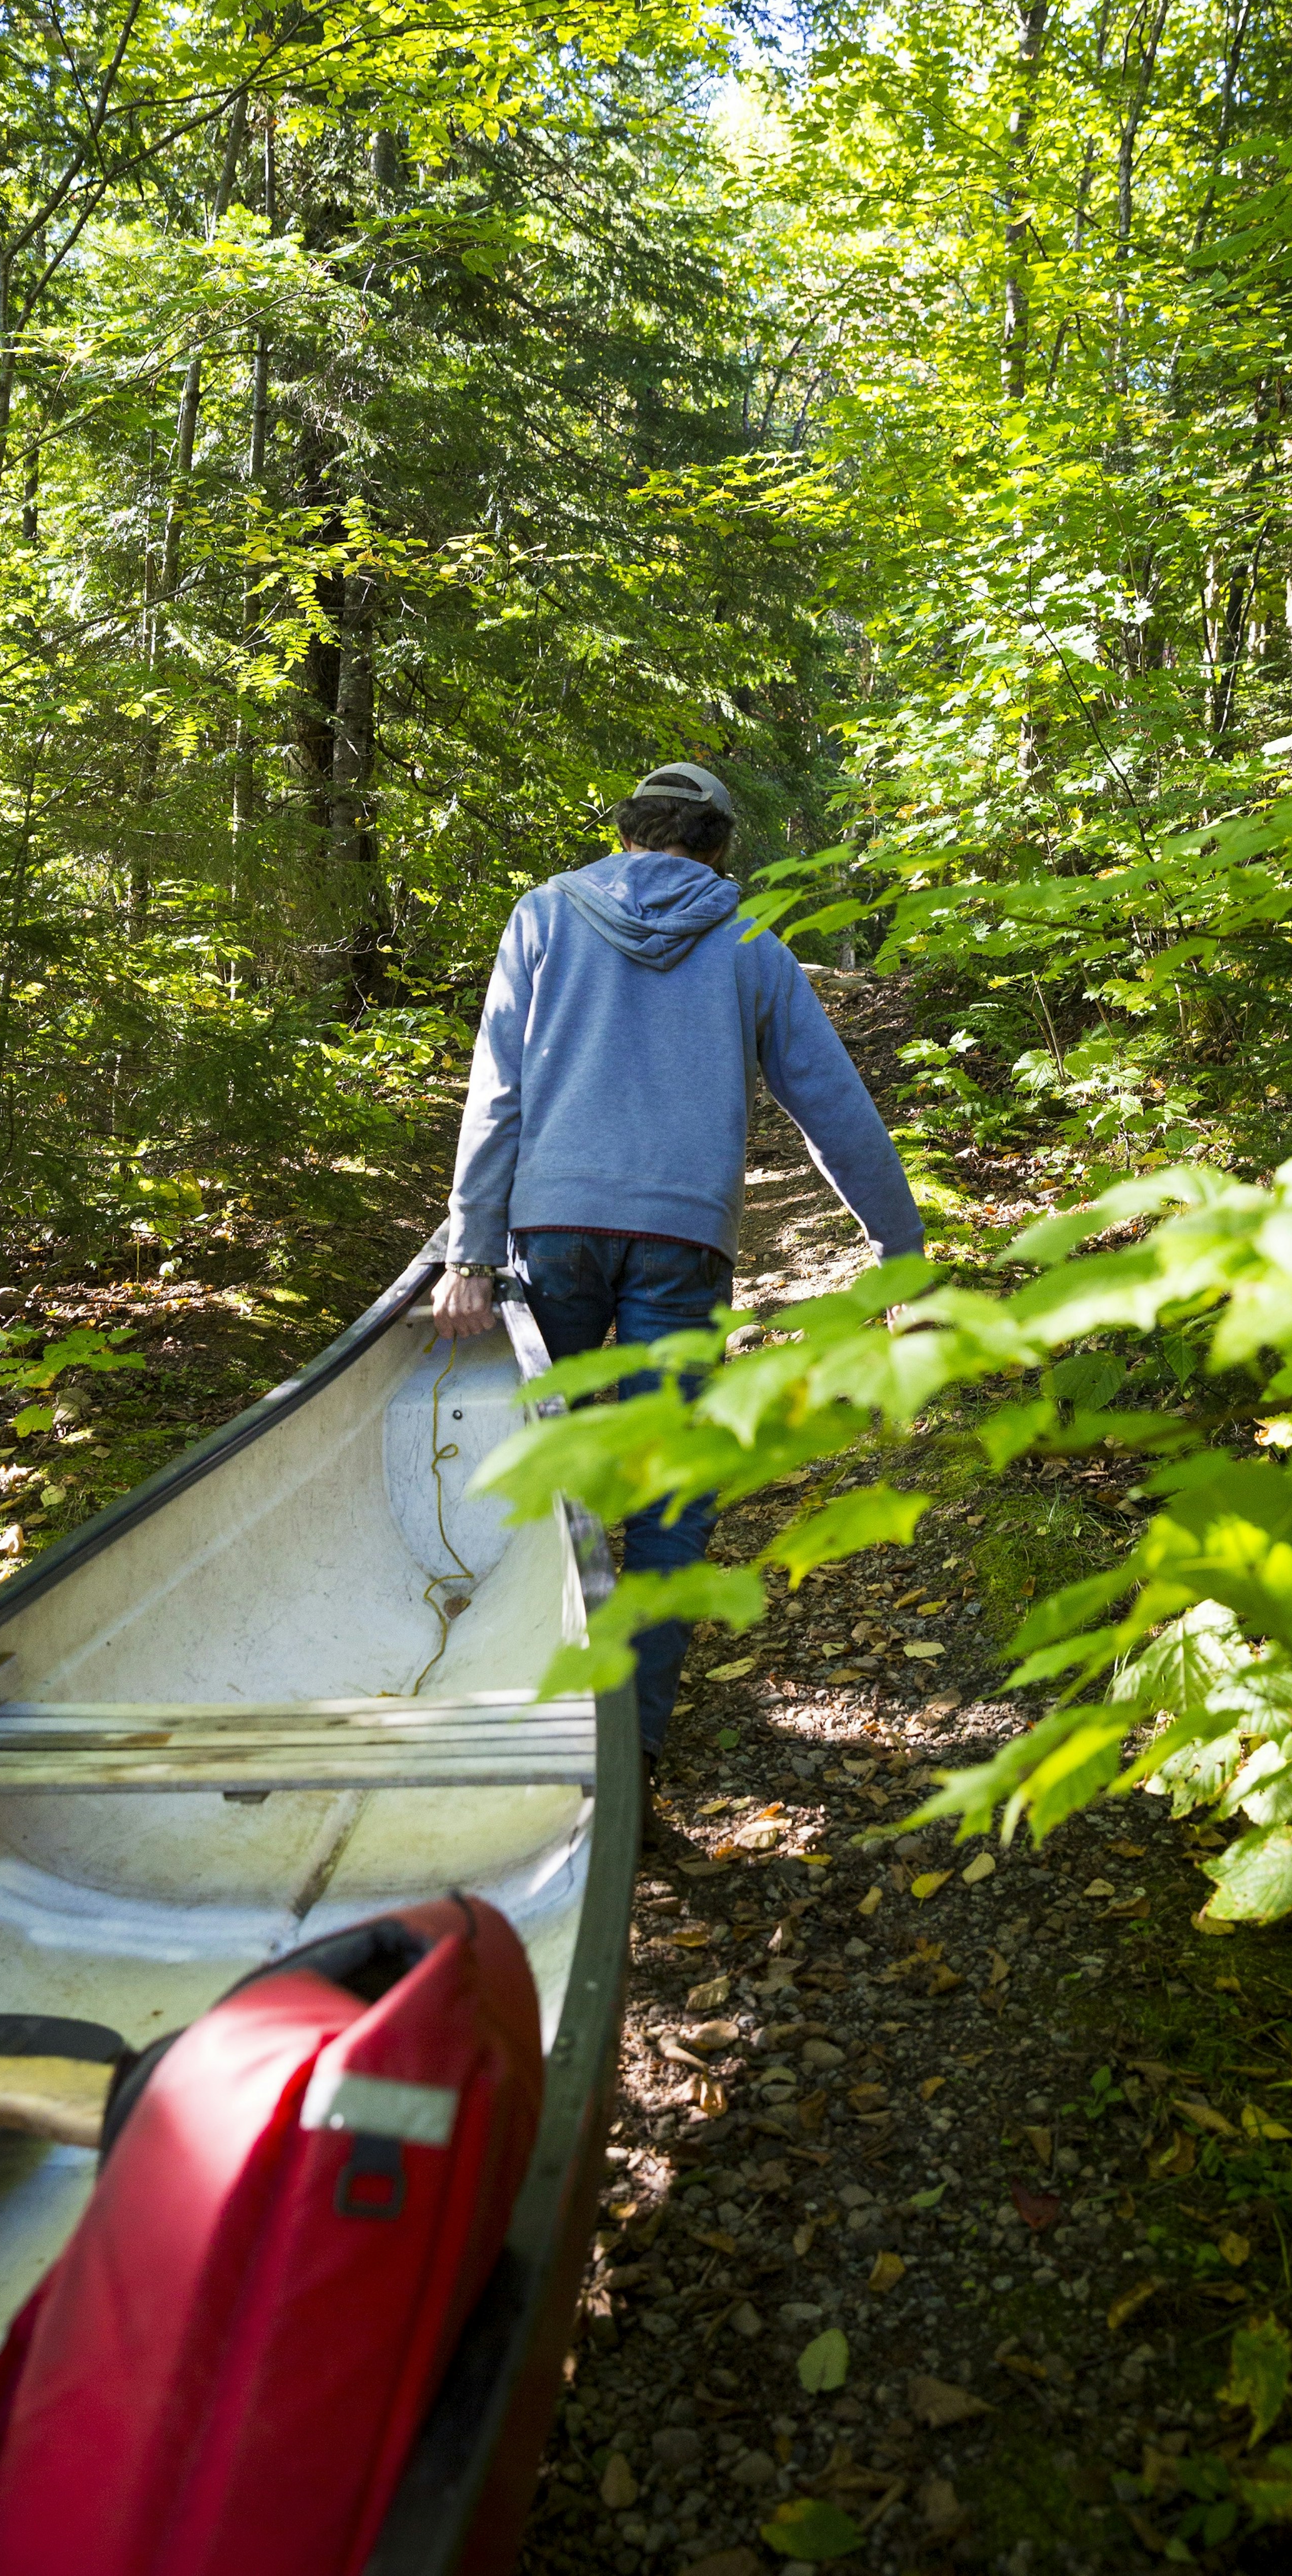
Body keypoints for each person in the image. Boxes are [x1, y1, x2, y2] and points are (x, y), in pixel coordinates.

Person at [431, 761, 923, 1818]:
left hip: (549, 1230)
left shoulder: (545, 916)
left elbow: (498, 1090)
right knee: (666, 1496)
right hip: (682, 1246)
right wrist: (897, 1244)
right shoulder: (749, 943)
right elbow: (831, 1104)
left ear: (627, 832)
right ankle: (630, 1747)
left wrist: (471, 1249)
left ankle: (524, 1705)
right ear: (715, 849)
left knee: (542, 1474)